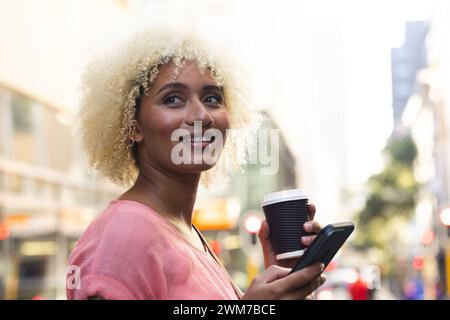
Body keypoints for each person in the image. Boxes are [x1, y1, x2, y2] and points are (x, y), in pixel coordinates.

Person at [66, 25, 325, 300]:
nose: (202, 116)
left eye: (212, 98)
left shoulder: (188, 234)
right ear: (132, 124)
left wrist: (285, 278)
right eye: (173, 99)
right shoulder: (122, 238)